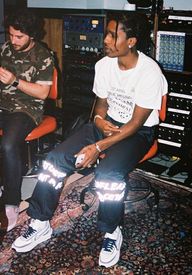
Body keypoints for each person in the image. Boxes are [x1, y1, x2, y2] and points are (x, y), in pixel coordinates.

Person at [12, 12, 167, 268]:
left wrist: (97, 147)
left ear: (131, 41)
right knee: (54, 160)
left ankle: (111, 231)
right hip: (105, 125)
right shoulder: (104, 65)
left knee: (108, 175)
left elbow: (137, 123)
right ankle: (40, 222)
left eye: (112, 34)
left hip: (135, 133)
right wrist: (97, 122)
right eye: (106, 33)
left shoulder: (150, 73)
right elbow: (100, 105)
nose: (105, 39)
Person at [0, 8, 54, 232]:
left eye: (19, 37)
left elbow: (42, 93)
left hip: (26, 109)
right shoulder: (5, 48)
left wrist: (14, 81)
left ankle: (11, 201)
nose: (13, 40)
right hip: (2, 104)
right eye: (11, 35)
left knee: (9, 144)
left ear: (31, 34)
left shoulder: (43, 56)